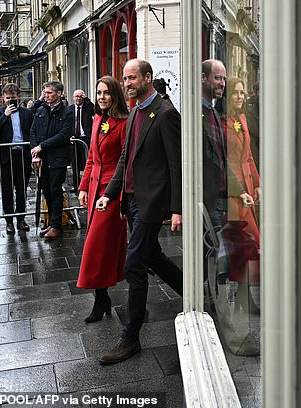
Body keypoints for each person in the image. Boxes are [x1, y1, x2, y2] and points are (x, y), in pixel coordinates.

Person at [95, 59, 182, 365]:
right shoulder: (133, 112)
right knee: (152, 256)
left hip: (152, 202)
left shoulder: (167, 113)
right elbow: (124, 159)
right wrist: (110, 194)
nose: (127, 83)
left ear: (148, 77)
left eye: (132, 78)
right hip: (130, 200)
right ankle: (195, 295)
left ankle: (130, 337)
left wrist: (177, 209)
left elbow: (176, 164)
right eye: (125, 78)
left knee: (134, 264)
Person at [76, 76, 129, 323]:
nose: (101, 97)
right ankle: (102, 297)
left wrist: (112, 194)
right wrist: (84, 186)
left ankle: (101, 298)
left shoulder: (123, 123)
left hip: (112, 193)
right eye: (98, 93)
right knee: (99, 247)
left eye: (106, 93)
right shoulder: (97, 119)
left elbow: (124, 162)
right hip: (95, 188)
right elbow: (91, 158)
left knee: (96, 246)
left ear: (115, 94)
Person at [221, 76, 261, 281]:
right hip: (233, 191)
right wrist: (241, 190)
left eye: (241, 92)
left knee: (248, 246)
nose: (240, 96)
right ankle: (242, 301)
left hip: (247, 188)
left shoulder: (242, 119)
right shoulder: (222, 122)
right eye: (235, 92)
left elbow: (249, 157)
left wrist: (258, 184)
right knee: (248, 244)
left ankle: (242, 302)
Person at [30, 81, 73, 240]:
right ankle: (51, 221)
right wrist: (36, 153)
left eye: (49, 93)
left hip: (58, 158)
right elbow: (33, 131)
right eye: (44, 92)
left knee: (55, 190)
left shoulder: (67, 112)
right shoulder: (41, 110)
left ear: (59, 93)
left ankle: (56, 225)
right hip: (43, 159)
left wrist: (41, 146)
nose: (45, 96)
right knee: (46, 190)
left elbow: (63, 135)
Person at [201, 59, 241, 229]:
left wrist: (240, 190)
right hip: (207, 199)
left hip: (221, 196)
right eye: (218, 78)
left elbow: (222, 157)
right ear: (203, 78)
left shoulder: (213, 113)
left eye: (224, 79)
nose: (222, 84)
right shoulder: (195, 113)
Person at [0, 83, 34, 233]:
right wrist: (5, 115)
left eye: (13, 98)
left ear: (18, 97)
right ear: (3, 98)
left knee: (21, 189)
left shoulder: (26, 113)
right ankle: (9, 221)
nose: (10, 101)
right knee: (7, 190)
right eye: (7, 98)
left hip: (23, 156)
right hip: (5, 157)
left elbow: (32, 132)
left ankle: (21, 219)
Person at [71, 89, 95, 193]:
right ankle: (76, 185)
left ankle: (88, 185)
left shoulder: (88, 107)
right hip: (74, 140)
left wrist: (87, 99)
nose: (78, 98)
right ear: (73, 98)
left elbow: (95, 109)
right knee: (75, 163)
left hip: (85, 138)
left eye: (81, 97)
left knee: (87, 163)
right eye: (76, 96)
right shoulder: (69, 109)